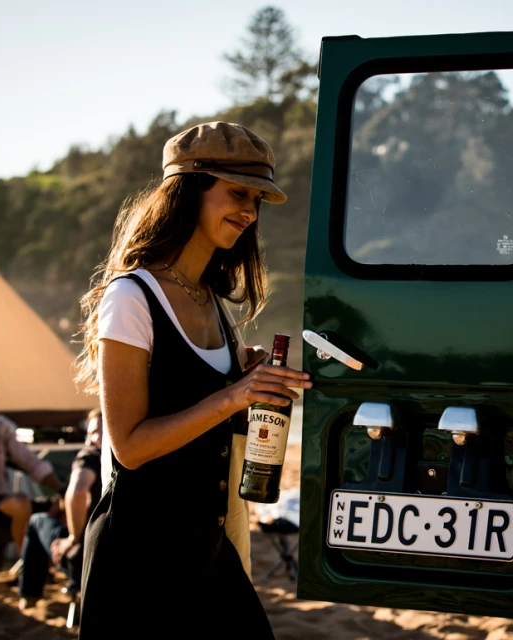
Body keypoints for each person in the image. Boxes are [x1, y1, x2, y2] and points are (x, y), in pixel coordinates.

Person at [74, 121, 312, 639]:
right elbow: (129, 447)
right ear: (188, 190)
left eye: (257, 200)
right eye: (238, 193)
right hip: (140, 561)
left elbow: (207, 400)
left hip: (208, 550)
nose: (250, 212)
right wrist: (232, 396)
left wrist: (243, 376)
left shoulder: (211, 299)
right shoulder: (131, 297)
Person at [18, 408, 103, 610]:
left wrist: (72, 538)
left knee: (37, 521)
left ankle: (29, 595)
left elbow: (78, 491)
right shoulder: (145, 455)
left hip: (90, 560)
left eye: (96, 431)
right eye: (89, 433)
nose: (92, 438)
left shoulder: (91, 456)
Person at [0, 380, 65, 553]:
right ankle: (27, 558)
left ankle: (47, 557)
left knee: (64, 504)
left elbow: (28, 460)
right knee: (20, 504)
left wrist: (62, 489)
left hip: (2, 497)